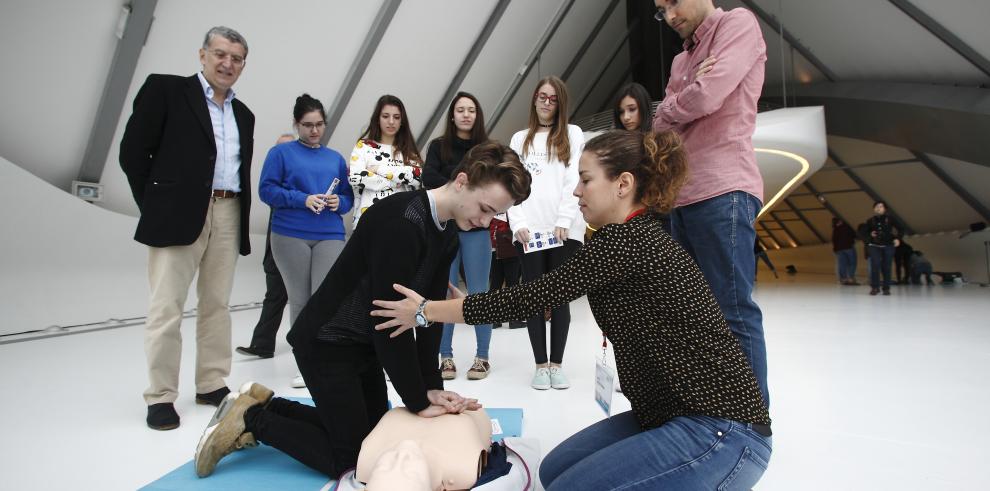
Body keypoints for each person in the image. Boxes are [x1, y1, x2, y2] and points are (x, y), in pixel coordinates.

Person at [372, 130, 772, 490]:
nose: (577, 192)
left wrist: (426, 310)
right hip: (668, 415)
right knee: (553, 470)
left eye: (585, 179)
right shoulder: (626, 237)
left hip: (722, 431)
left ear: (623, 184)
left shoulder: (626, 241)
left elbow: (528, 297)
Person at [193, 141, 533, 479]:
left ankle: (267, 404)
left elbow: (426, 316)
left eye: (495, 214)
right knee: (353, 459)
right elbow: (387, 321)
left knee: (373, 440)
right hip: (326, 343)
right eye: (485, 208)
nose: (487, 221)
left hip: (362, 346)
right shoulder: (403, 223)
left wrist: (432, 388)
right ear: (461, 181)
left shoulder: (447, 231)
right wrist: (418, 399)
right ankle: (250, 420)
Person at [119, 26, 254, 431]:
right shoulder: (166, 91)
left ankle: (211, 382)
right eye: (220, 54)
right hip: (178, 211)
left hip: (229, 211)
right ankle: (160, 396)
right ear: (202, 55)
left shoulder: (243, 113)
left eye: (236, 58)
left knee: (217, 304)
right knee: (167, 307)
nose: (227, 63)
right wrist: (158, 204)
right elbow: (132, 153)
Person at [652, 0, 770, 404]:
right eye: (660, 9)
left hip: (724, 191)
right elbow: (659, 125)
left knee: (733, 310)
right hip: (681, 198)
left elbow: (703, 100)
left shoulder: (738, 24)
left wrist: (681, 99)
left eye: (673, 3)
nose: (669, 15)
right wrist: (685, 94)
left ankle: (752, 420)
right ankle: (711, 407)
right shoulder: (681, 60)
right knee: (692, 316)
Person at [258, 94, 355, 388]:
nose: (314, 131)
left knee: (325, 299)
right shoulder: (280, 154)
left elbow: (349, 198)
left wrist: (339, 201)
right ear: (296, 124)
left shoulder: (335, 158)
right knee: (300, 300)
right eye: (307, 125)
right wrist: (303, 199)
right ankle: (305, 363)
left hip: (330, 233)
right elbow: (266, 191)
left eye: (319, 125)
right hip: (290, 234)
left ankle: (325, 359)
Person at [508, 75, 585, 390]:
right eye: (542, 96)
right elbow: (510, 184)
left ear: (561, 103)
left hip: (563, 230)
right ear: (534, 99)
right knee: (534, 299)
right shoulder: (519, 139)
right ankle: (540, 364)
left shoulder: (572, 134)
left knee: (560, 298)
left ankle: (557, 364)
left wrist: (565, 218)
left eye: (553, 98)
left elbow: (574, 177)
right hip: (531, 231)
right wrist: (517, 223)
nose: (546, 103)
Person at [423, 92, 495, 381]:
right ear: (452, 115)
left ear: (477, 116)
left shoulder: (487, 148)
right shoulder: (438, 146)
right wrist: (465, 188)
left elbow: (489, 184)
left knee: (480, 293)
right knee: (445, 292)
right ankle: (446, 356)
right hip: (446, 229)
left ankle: (483, 357)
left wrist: (455, 187)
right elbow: (428, 178)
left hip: (477, 231)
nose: (466, 115)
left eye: (471, 110)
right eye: (461, 110)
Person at [236, 134, 295, 360]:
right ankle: (262, 344)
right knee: (275, 295)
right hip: (276, 250)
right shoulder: (273, 182)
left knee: (305, 297)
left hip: (298, 245)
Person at [348, 94, 423, 227]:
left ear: (402, 121)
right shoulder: (363, 146)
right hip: (369, 219)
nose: (391, 121)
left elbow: (418, 177)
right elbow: (356, 177)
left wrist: (378, 169)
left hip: (402, 221)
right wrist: (399, 180)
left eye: (396, 117)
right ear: (377, 119)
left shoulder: (408, 152)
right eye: (385, 116)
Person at [865, 200, 903, 295]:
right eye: (876, 206)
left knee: (886, 266)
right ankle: (875, 287)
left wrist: (898, 239)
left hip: (888, 246)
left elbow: (901, 229)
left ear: (885, 209)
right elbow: (862, 233)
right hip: (874, 246)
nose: (878, 208)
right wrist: (870, 235)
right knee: (875, 265)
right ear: (874, 209)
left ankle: (886, 288)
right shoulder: (870, 221)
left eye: (881, 206)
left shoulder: (890, 219)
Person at [832, 217, 859, 285]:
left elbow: (834, 240)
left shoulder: (835, 230)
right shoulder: (846, 227)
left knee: (842, 264)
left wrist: (835, 249)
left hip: (839, 250)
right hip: (848, 247)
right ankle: (850, 278)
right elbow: (854, 235)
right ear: (840, 221)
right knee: (852, 263)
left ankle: (843, 279)